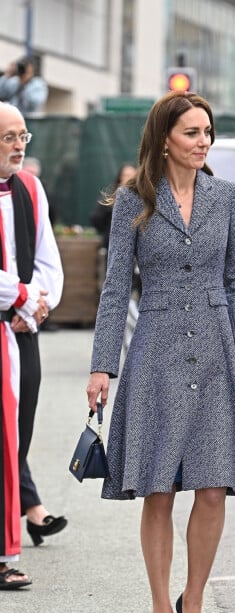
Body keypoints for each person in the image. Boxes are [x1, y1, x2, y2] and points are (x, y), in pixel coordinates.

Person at [86, 91, 235, 613]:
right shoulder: (133, 201)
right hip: (156, 350)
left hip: (217, 349)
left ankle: (191, 602)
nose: (204, 143)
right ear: (165, 137)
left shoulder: (226, 197)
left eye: (208, 133)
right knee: (159, 487)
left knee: (214, 485)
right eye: (192, 133)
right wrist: (103, 365)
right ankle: (157, 611)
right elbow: (116, 285)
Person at [0, 101, 63, 588]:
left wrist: (38, 306)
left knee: (16, 437)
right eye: (9, 137)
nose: (19, 145)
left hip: (23, 333)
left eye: (23, 136)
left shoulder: (31, 188)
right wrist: (21, 297)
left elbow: (48, 260)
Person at [90, 163, 136, 250]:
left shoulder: (142, 199)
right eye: (126, 175)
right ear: (120, 178)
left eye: (132, 176)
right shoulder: (111, 198)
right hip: (112, 247)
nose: (129, 179)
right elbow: (96, 220)